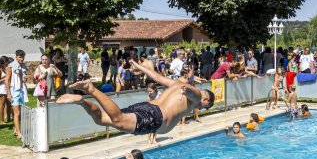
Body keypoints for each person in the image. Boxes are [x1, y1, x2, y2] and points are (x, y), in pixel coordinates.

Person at [56, 59, 215, 136]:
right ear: (206, 101)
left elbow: (157, 78)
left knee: (101, 119)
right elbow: (195, 94)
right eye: (203, 107)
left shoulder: (176, 83)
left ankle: (82, 102)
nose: (199, 108)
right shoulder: (197, 95)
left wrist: (138, 66)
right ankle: (90, 89)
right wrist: (187, 90)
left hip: (148, 108)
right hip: (155, 118)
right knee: (118, 120)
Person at [6, 49, 27, 138]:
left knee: (21, 112)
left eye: (22, 57)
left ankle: (16, 129)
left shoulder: (24, 66)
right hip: (14, 91)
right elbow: (6, 80)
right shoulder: (10, 66)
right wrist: (9, 93)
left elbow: (24, 77)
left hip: (22, 91)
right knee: (17, 113)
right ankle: (19, 133)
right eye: (20, 57)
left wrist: (25, 79)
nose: (21, 59)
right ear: (16, 57)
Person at [0, 56, 11, 124]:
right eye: (7, 62)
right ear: (4, 62)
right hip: (1, 88)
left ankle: (8, 118)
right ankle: (2, 121)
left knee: (9, 104)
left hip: (7, 87)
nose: (8, 63)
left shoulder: (7, 68)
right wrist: (5, 79)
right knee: (2, 105)